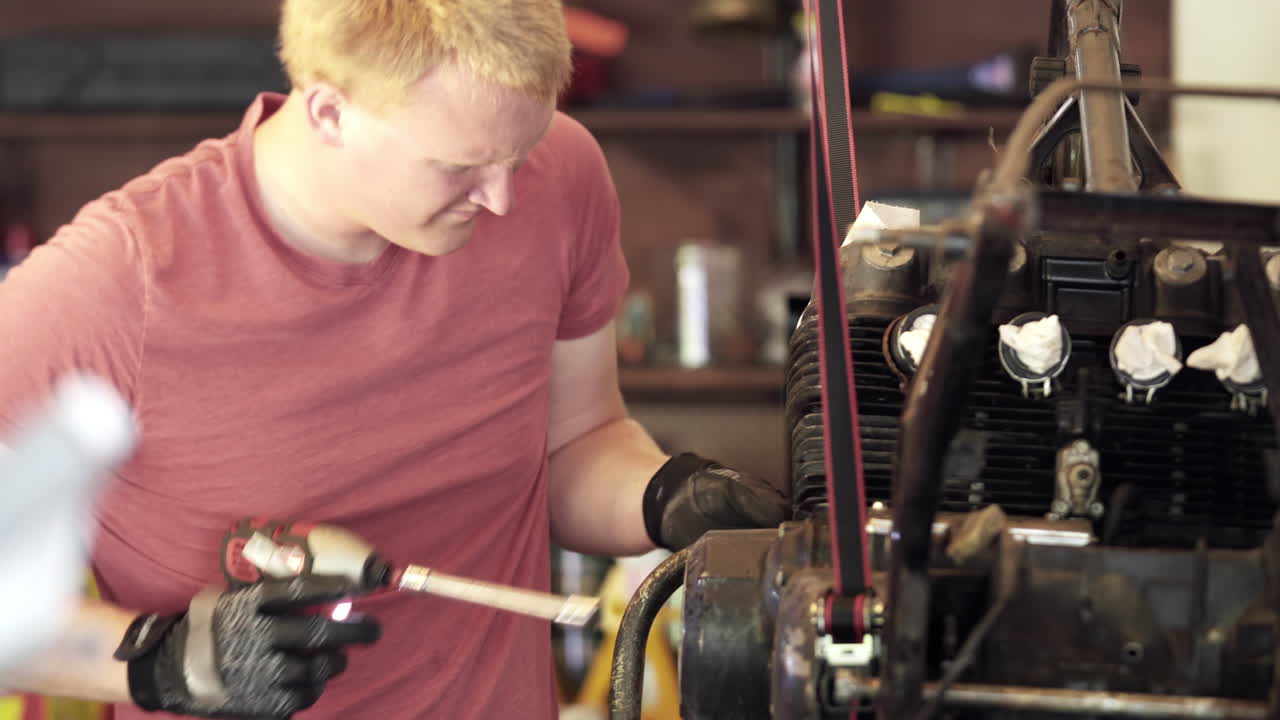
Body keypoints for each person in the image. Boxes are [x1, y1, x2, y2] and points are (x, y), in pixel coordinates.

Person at [0, 1, 789, 718]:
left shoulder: (559, 176)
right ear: (330, 112)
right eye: (460, 167)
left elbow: (576, 441)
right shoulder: (115, 283)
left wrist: (665, 497)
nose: (503, 199)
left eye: (523, 151)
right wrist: (162, 664)